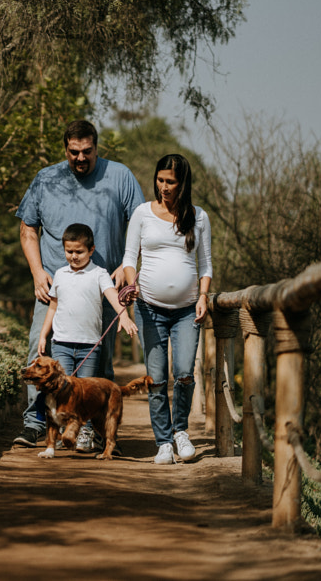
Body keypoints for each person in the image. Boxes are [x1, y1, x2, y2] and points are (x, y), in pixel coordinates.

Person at [13, 119, 145, 450]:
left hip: (101, 287)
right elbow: (28, 229)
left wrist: (126, 266)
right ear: (66, 149)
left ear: (96, 147)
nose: (81, 158)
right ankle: (35, 422)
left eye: (87, 151)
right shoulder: (46, 178)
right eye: (74, 152)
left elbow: (141, 226)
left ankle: (95, 428)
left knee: (97, 363)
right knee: (40, 352)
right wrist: (37, 271)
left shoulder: (120, 177)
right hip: (55, 287)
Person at [121, 153, 212, 465]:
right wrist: (131, 285)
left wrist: (203, 296)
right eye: (160, 180)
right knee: (157, 378)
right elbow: (130, 257)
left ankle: (181, 431)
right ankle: (163, 442)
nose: (163, 187)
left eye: (170, 182)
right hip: (149, 307)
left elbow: (206, 264)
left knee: (185, 372)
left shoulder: (199, 217)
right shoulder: (142, 213)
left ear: (182, 183)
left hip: (188, 310)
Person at [37, 223, 139, 451]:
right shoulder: (60, 275)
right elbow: (52, 307)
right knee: (62, 390)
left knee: (84, 393)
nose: (73, 256)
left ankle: (85, 433)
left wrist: (124, 317)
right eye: (69, 251)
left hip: (90, 346)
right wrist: (44, 335)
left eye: (79, 252)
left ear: (91, 250)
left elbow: (113, 296)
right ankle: (64, 431)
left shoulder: (99, 273)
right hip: (61, 343)